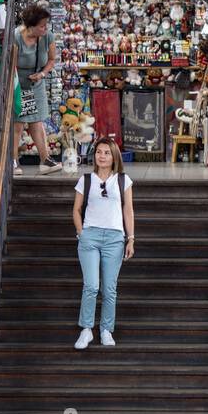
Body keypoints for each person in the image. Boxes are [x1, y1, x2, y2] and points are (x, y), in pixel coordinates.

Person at [72, 137, 136, 349]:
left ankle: (106, 329)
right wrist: (81, 233)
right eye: (99, 152)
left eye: (107, 152)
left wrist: (131, 238)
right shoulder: (86, 179)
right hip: (90, 236)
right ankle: (86, 329)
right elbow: (76, 210)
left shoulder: (122, 180)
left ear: (114, 155)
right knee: (91, 285)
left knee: (109, 288)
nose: (102, 156)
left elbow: (128, 210)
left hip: (114, 238)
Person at [11, 4, 62, 176]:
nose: (45, 28)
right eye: (42, 25)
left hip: (36, 83)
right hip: (19, 83)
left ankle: (45, 159)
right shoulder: (16, 37)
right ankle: (13, 161)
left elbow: (51, 59)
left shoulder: (47, 37)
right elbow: (10, 65)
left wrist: (42, 73)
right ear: (30, 26)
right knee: (18, 123)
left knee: (37, 121)